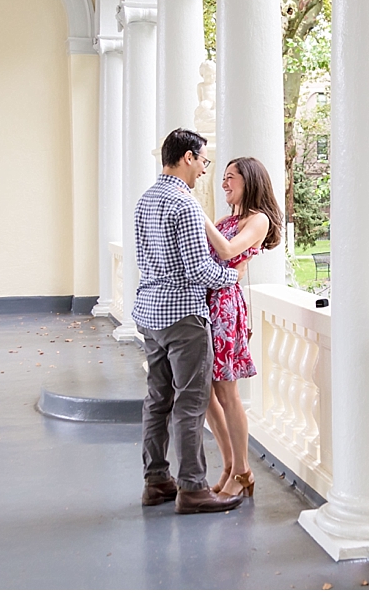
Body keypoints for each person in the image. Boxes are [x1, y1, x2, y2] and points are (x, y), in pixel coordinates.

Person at [135, 128, 245, 514]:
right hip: (183, 317)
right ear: (187, 158)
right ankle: (194, 489)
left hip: (150, 315)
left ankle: (156, 481)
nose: (203, 169)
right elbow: (200, 269)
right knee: (190, 404)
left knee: (157, 400)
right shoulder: (185, 205)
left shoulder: (145, 200)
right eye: (202, 160)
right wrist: (233, 277)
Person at [202, 157, 284, 499]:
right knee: (205, 393)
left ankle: (243, 471)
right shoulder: (227, 219)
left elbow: (228, 249)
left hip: (225, 307)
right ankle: (228, 465)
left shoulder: (258, 220)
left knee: (227, 392)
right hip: (207, 302)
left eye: (230, 178)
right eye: (223, 178)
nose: (224, 184)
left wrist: (197, 214)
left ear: (249, 181)